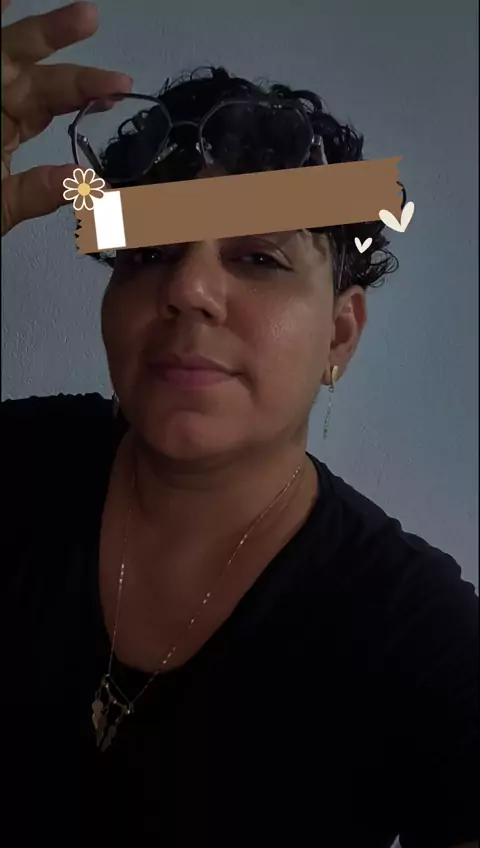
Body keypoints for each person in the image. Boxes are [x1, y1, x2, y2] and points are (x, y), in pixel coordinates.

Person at [1, 2, 478, 846]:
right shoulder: (16, 462)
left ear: (340, 334)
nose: (188, 290)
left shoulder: (418, 633)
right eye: (151, 253)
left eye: (258, 258)